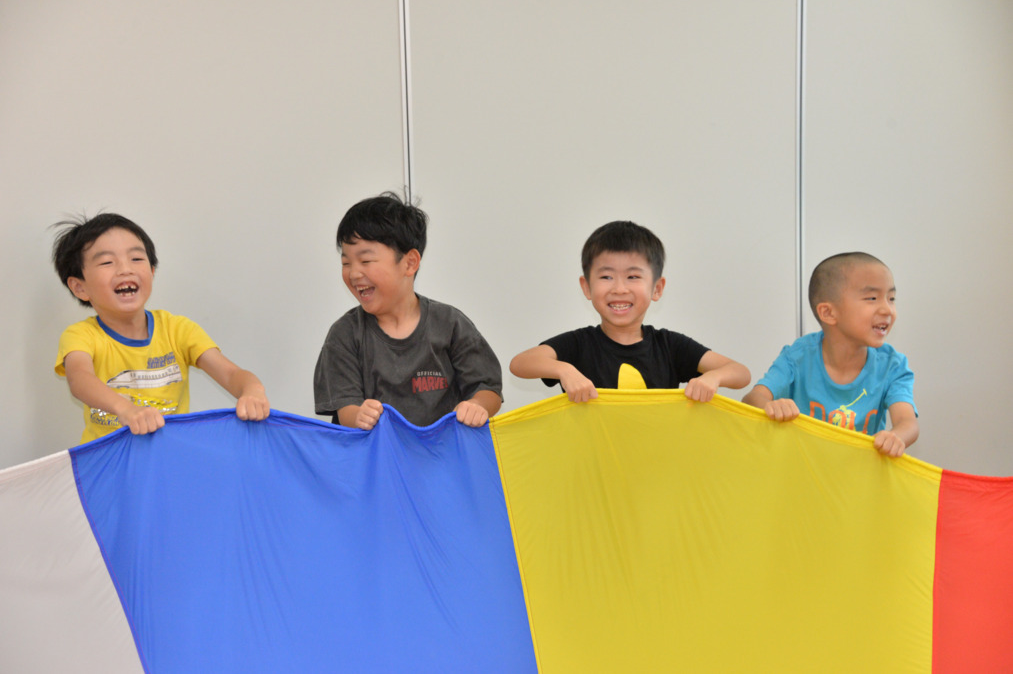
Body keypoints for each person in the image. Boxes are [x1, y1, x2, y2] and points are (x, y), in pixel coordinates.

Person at [53, 213, 270, 443]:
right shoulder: (80, 335)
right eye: (107, 262)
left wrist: (253, 391)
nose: (125, 269)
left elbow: (232, 374)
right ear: (79, 287)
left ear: (152, 272)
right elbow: (80, 379)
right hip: (108, 459)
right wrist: (125, 409)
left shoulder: (178, 330)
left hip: (169, 457)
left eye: (136, 258)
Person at [313, 192, 502, 430]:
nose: (354, 273)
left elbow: (489, 390)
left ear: (410, 263)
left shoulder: (450, 323)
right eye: (346, 263)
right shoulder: (345, 333)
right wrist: (359, 415)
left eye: (366, 261)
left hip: (440, 451)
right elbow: (346, 408)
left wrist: (477, 405)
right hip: (376, 452)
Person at [509, 220, 750, 403]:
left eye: (633, 276)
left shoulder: (670, 346)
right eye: (606, 276)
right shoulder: (578, 344)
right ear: (586, 287)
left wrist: (712, 378)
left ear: (657, 288)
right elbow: (520, 363)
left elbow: (740, 373)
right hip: (591, 457)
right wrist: (565, 370)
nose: (619, 288)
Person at [742, 252, 918, 457]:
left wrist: (896, 436)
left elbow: (907, 423)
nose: (888, 309)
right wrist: (770, 406)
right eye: (872, 298)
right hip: (801, 469)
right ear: (828, 313)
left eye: (891, 298)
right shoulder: (797, 357)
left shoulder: (892, 365)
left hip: (857, 472)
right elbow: (752, 398)